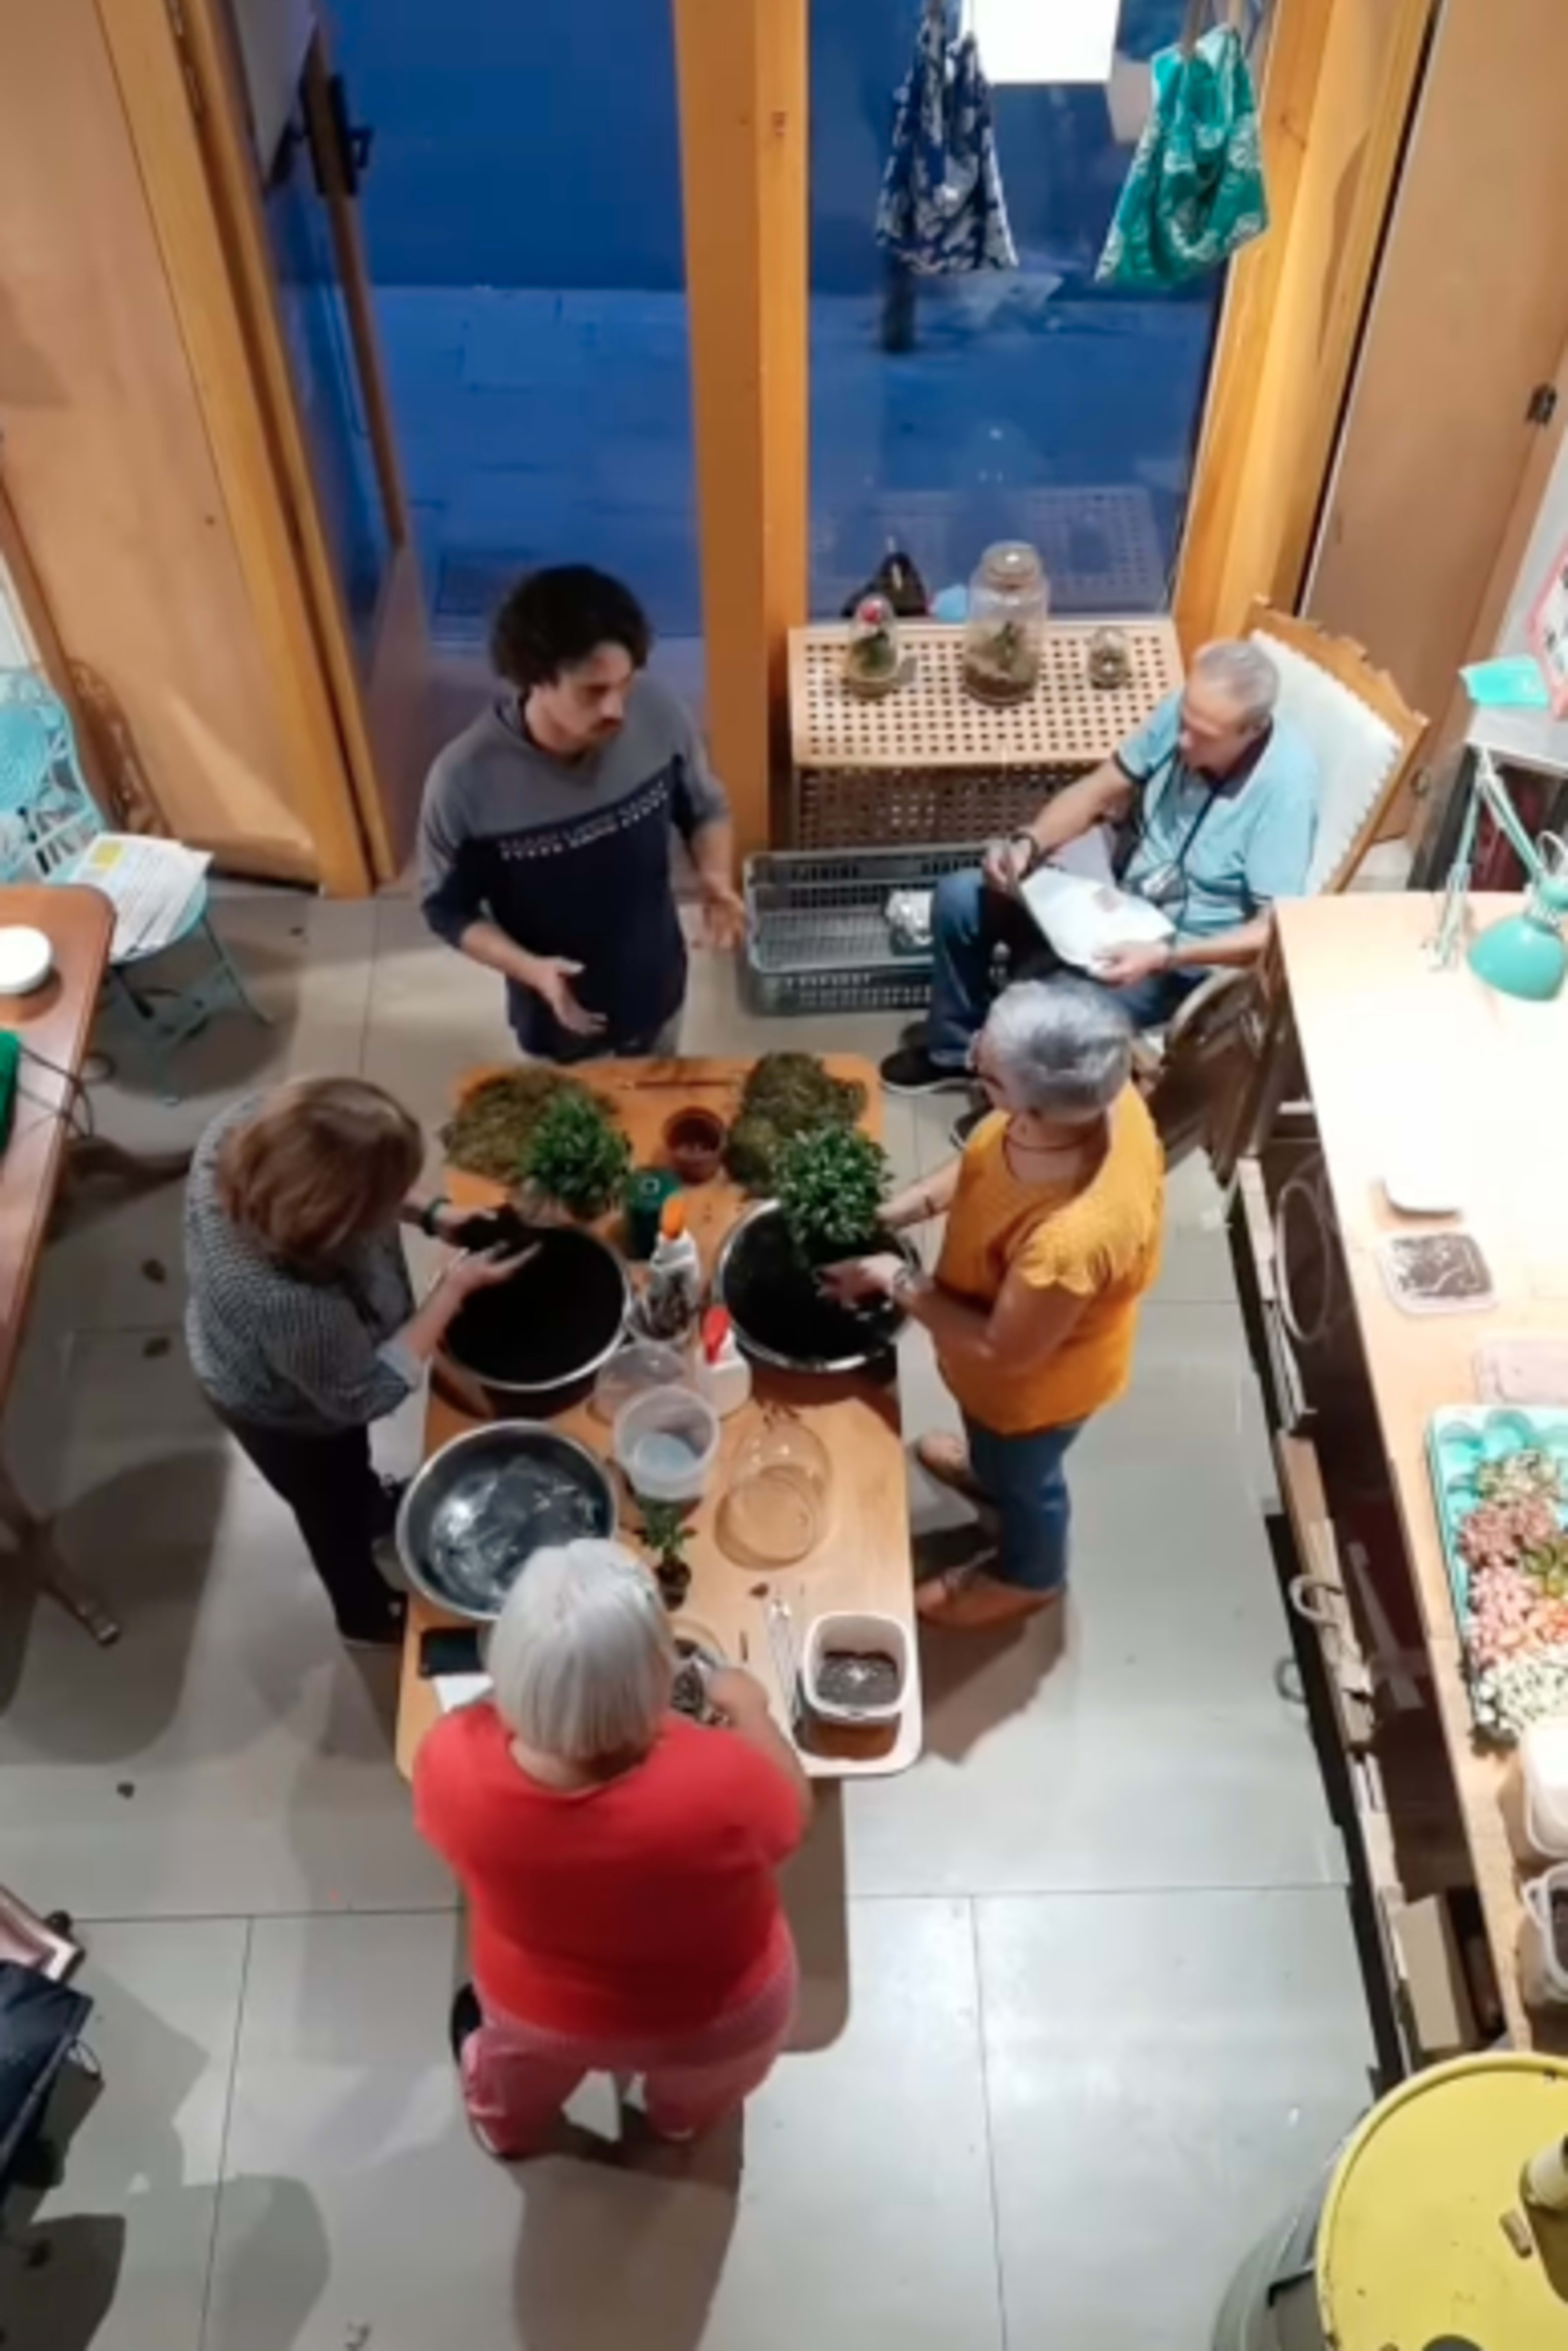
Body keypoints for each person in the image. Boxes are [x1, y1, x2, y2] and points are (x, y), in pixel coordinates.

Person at [414, 1540, 809, 2159]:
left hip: (540, 2008)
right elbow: (793, 1813)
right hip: (718, 2015)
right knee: (706, 2083)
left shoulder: (451, 1763)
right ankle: (680, 2121)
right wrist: (751, 1709)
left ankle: (505, 2128)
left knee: (514, 2071)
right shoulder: (726, 1782)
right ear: (661, 1674)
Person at [826, 978, 1163, 1632]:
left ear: (1035, 1109)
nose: (973, 1054)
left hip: (1034, 1389)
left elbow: (1001, 1348)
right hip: (997, 1357)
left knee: (1028, 1479)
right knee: (994, 1452)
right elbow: (993, 1157)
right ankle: (986, 1471)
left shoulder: (1072, 1235)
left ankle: (1031, 1575)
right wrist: (904, 1210)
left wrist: (892, 1276)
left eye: (989, 1071)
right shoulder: (1102, 1089)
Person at [881, 638, 1319, 1091]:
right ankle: (955, 1052)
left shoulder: (1287, 790)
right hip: (1114, 904)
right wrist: (1030, 845)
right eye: (1185, 723)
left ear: (1251, 730)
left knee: (1052, 1011)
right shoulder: (1184, 715)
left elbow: (1274, 929)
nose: (1184, 740)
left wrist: (1165, 956)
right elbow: (1096, 791)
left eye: (1204, 736)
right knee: (961, 898)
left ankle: (1024, 1105)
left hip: (1177, 959)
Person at [184, 1077, 527, 1646]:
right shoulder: (291, 1302)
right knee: (329, 1508)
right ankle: (363, 1613)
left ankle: (371, 1505)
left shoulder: (243, 1135)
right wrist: (452, 1291)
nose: (400, 1197)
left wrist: (435, 1215)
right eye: (385, 1197)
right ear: (336, 1219)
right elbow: (362, 1393)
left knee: (352, 1478)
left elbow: (354, 1170)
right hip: (283, 1411)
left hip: (294, 1360)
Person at [418, 565, 744, 1061]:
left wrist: (716, 877)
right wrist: (531, 970)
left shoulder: (659, 715)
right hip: (555, 1014)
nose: (616, 708)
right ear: (535, 679)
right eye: (593, 691)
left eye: (626, 684)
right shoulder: (465, 781)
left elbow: (706, 808)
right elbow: (445, 909)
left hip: (658, 984)